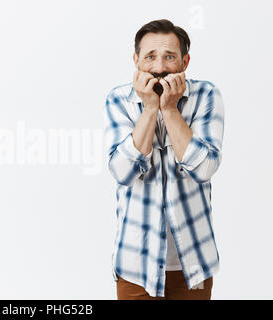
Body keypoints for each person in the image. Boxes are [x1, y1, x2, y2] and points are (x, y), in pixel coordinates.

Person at [103, 19, 225, 300]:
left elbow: (205, 167)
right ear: (136, 61)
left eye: (169, 57)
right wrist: (148, 109)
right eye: (150, 57)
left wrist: (169, 109)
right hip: (136, 267)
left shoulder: (206, 95)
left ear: (185, 62)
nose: (159, 67)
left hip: (192, 266)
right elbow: (122, 172)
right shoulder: (118, 100)